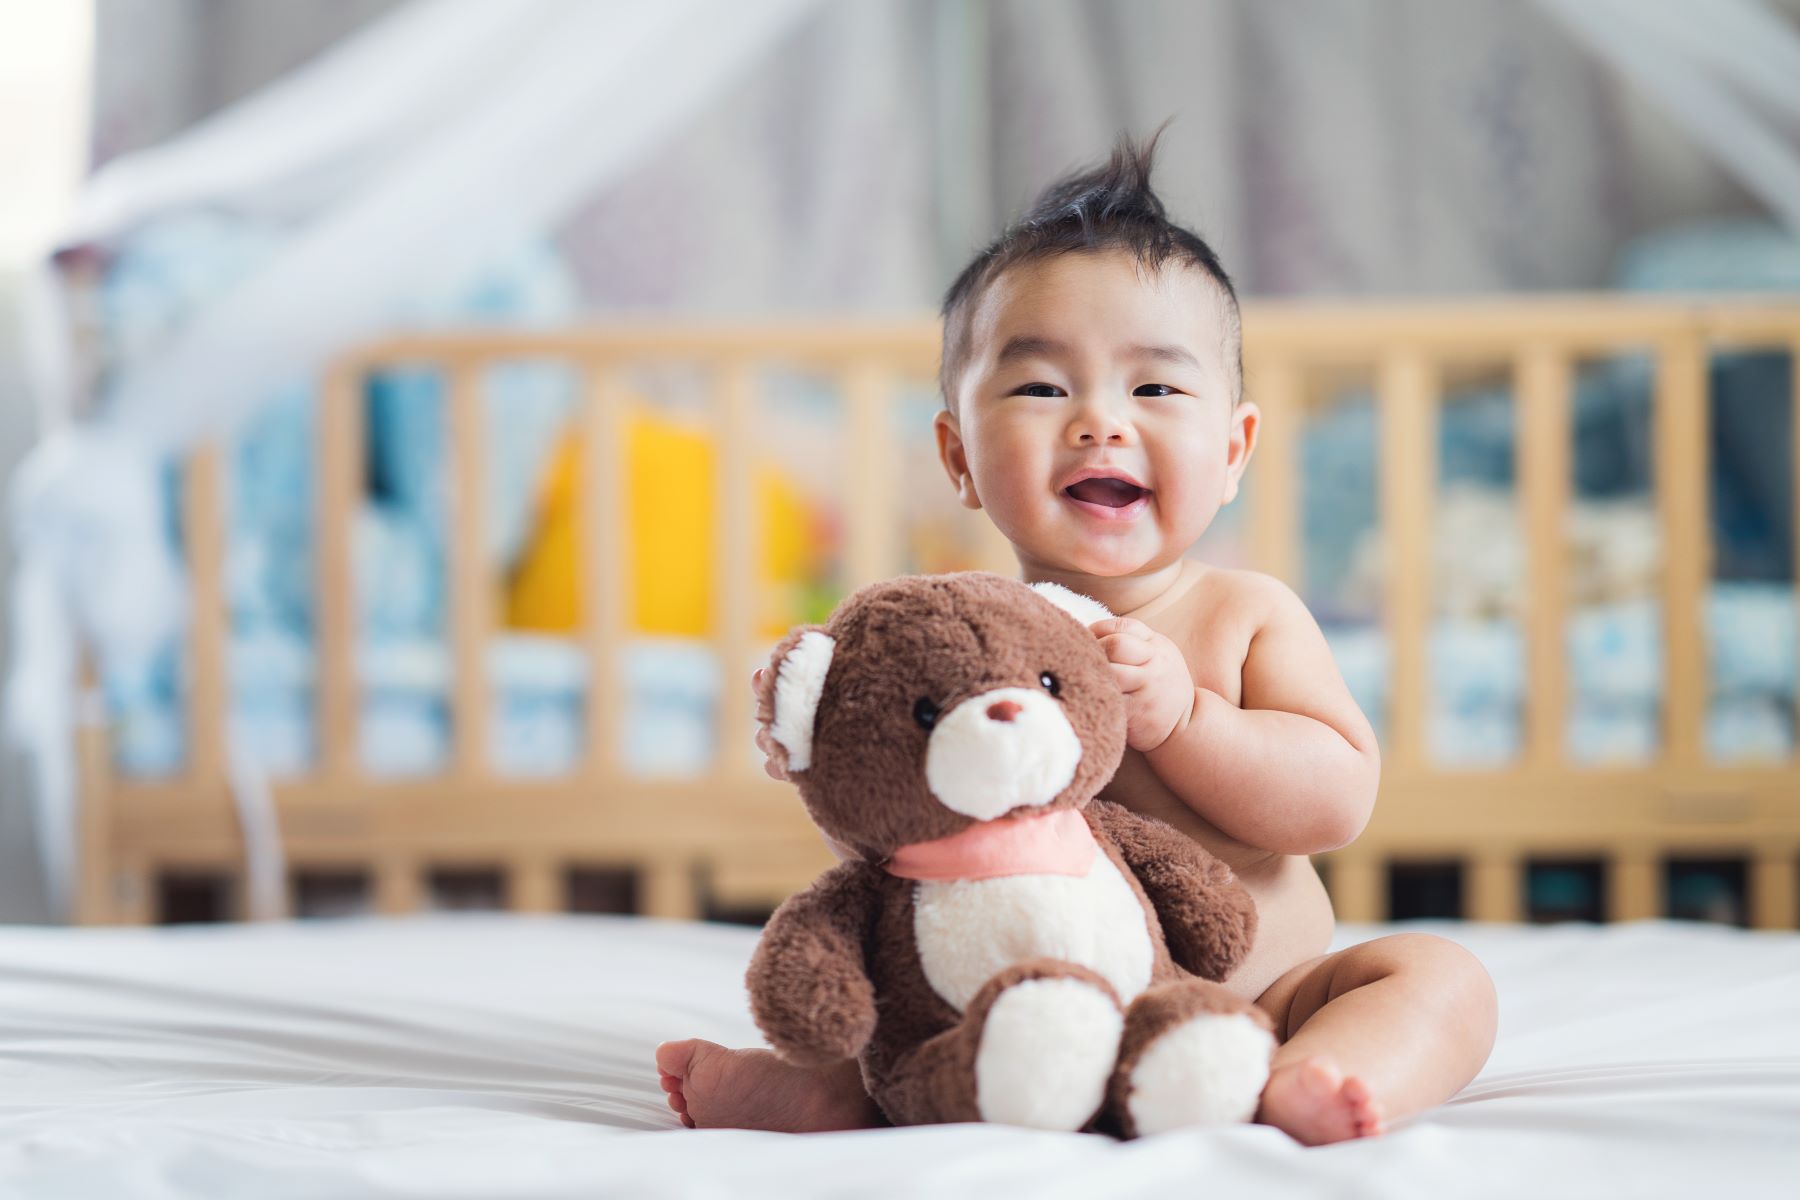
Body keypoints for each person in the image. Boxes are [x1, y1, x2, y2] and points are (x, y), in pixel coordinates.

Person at [656, 129, 1496, 1146]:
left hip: (1254, 1008)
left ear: (1232, 451)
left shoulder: (1244, 615)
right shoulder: (951, 644)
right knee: (877, 1021)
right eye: (1043, 387)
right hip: (1011, 1017)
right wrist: (824, 750)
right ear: (958, 455)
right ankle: (822, 1093)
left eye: (1154, 388)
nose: (1101, 422)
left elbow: (1334, 803)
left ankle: (1309, 1080)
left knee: (1440, 979)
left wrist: (1187, 721)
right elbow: (901, 838)